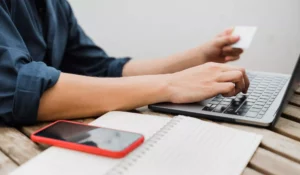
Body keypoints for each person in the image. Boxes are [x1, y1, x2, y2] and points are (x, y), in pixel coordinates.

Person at [0, 0, 248, 125]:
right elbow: (16, 91)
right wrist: (171, 85)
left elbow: (102, 70)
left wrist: (199, 57)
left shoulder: (55, 5)